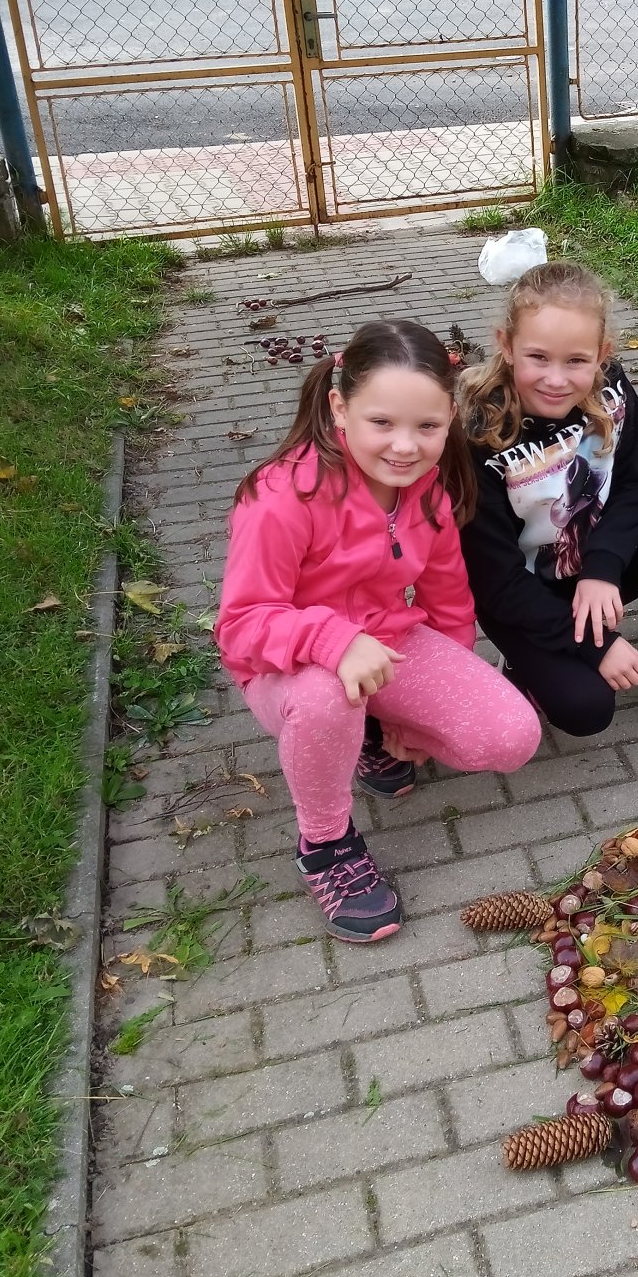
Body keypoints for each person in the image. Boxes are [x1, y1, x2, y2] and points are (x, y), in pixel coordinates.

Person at [215, 319, 541, 943]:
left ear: (450, 417)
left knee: (512, 737)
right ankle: (325, 844)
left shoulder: (428, 489)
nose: (405, 447)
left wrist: (419, 720)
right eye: (382, 423)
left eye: (428, 426)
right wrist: (333, 642)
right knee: (326, 697)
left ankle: (369, 732)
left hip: (388, 644)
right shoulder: (281, 497)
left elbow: (448, 604)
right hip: (288, 665)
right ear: (340, 409)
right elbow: (240, 625)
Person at [459, 261, 638, 749]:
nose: (556, 379)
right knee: (587, 709)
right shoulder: (479, 436)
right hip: (520, 594)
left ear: (602, 354)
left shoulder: (613, 392)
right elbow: (493, 581)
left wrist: (602, 569)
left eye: (576, 361)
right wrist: (594, 646)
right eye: (538, 357)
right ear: (506, 345)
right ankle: (525, 660)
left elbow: (636, 487)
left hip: (592, 572)